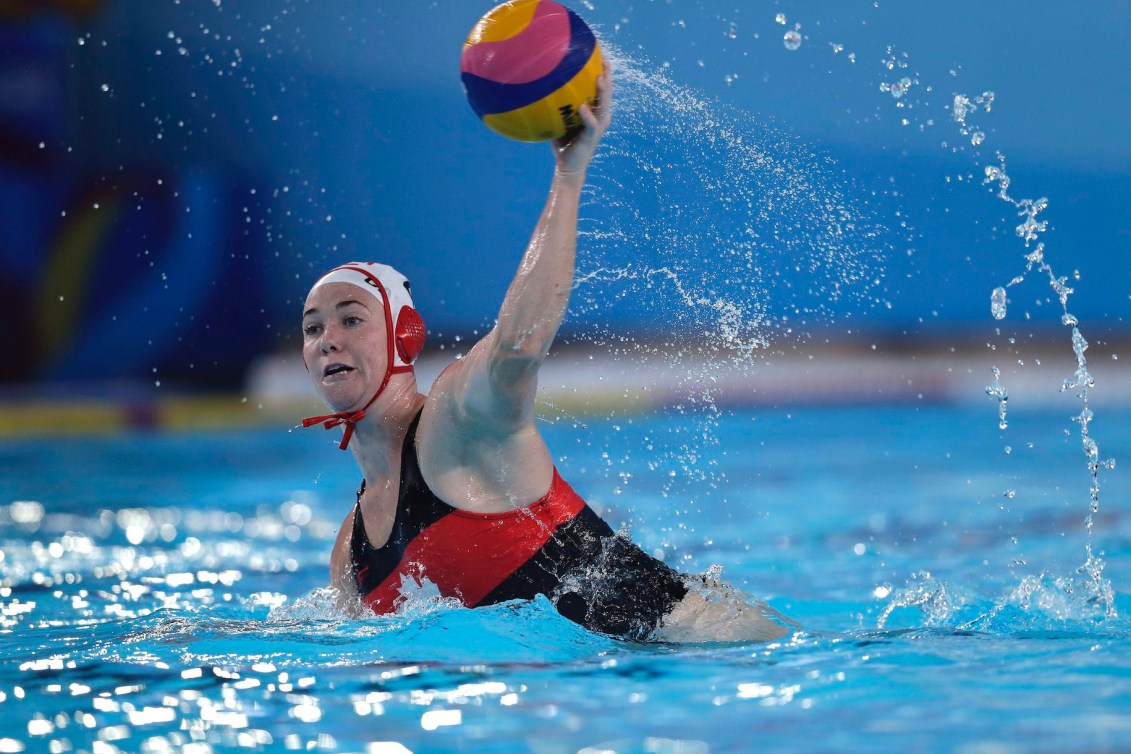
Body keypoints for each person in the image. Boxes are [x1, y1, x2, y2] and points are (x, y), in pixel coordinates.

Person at [301, 71, 789, 642]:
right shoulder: (350, 555)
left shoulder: (458, 422)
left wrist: (569, 172)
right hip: (607, 702)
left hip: (719, 653)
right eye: (312, 329)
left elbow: (519, 343)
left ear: (406, 335)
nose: (328, 338)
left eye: (351, 319)